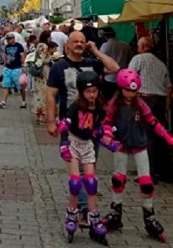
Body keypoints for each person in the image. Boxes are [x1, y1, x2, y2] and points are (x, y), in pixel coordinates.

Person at [101, 69, 173, 241]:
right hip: (121, 145)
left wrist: (169, 139)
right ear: (121, 88)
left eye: (134, 90)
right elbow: (107, 122)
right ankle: (115, 211)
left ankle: (149, 214)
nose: (131, 93)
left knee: (146, 182)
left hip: (140, 145)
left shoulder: (141, 104)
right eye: (128, 90)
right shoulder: (114, 104)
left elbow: (153, 122)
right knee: (118, 179)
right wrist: (107, 134)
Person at [52, 72, 112, 244]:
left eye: (94, 91)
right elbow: (64, 125)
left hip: (87, 145)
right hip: (73, 143)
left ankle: (93, 217)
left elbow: (99, 128)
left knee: (91, 183)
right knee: (76, 182)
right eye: (88, 92)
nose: (92, 95)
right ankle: (72, 214)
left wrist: (107, 139)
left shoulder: (100, 107)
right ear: (81, 92)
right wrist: (63, 144)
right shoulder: (76, 106)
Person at [128, 36, 173, 180]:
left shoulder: (138, 59)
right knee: (159, 136)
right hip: (159, 101)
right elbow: (169, 88)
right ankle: (164, 172)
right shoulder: (161, 64)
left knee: (145, 136)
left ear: (142, 47)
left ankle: (148, 173)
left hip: (144, 100)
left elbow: (129, 80)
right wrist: (166, 109)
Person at [99, 26, 133, 99]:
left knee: (110, 99)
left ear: (105, 36)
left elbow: (100, 61)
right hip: (124, 77)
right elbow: (131, 60)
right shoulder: (125, 45)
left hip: (109, 78)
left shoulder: (105, 46)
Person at [0, 32, 27, 109]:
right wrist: (5, 65)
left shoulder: (19, 46)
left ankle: (23, 101)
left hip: (17, 68)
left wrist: (23, 65)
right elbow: (5, 56)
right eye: (7, 39)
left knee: (20, 87)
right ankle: (3, 102)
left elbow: (22, 56)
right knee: (6, 85)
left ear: (13, 39)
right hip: (8, 68)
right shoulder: (7, 47)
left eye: (10, 39)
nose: (8, 40)